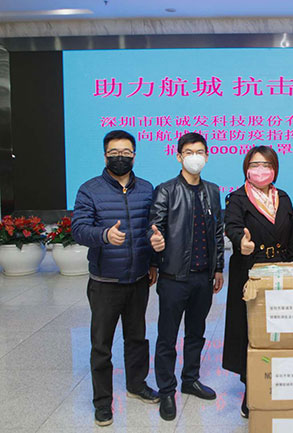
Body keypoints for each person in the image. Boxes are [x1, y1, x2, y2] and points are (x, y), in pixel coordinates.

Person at [71, 130, 159, 427]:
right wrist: (104, 236)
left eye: (126, 152)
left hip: (138, 279)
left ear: (134, 155)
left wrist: (153, 261)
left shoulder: (146, 189)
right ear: (105, 155)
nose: (120, 157)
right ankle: (102, 403)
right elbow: (79, 229)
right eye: (114, 152)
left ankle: (137, 384)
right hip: (105, 282)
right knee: (101, 345)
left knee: (137, 338)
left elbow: (152, 229)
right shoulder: (89, 190)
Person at [148, 132, 225, 421]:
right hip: (174, 276)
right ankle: (166, 389)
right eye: (189, 152)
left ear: (207, 156)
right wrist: (155, 253)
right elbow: (154, 228)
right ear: (179, 156)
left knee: (196, 333)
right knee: (167, 336)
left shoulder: (212, 190)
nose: (195, 157)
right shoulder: (166, 190)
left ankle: (190, 379)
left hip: (203, 277)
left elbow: (217, 232)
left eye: (200, 152)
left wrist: (218, 268)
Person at [223, 145, 293, 419]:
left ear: (274, 169)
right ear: (246, 168)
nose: (260, 170)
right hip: (250, 271)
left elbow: (292, 236)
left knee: (278, 329)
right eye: (254, 164)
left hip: (281, 271)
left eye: (266, 165)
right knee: (250, 331)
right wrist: (240, 242)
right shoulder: (237, 198)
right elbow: (232, 227)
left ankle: (278, 382)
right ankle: (252, 388)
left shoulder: (284, 198)